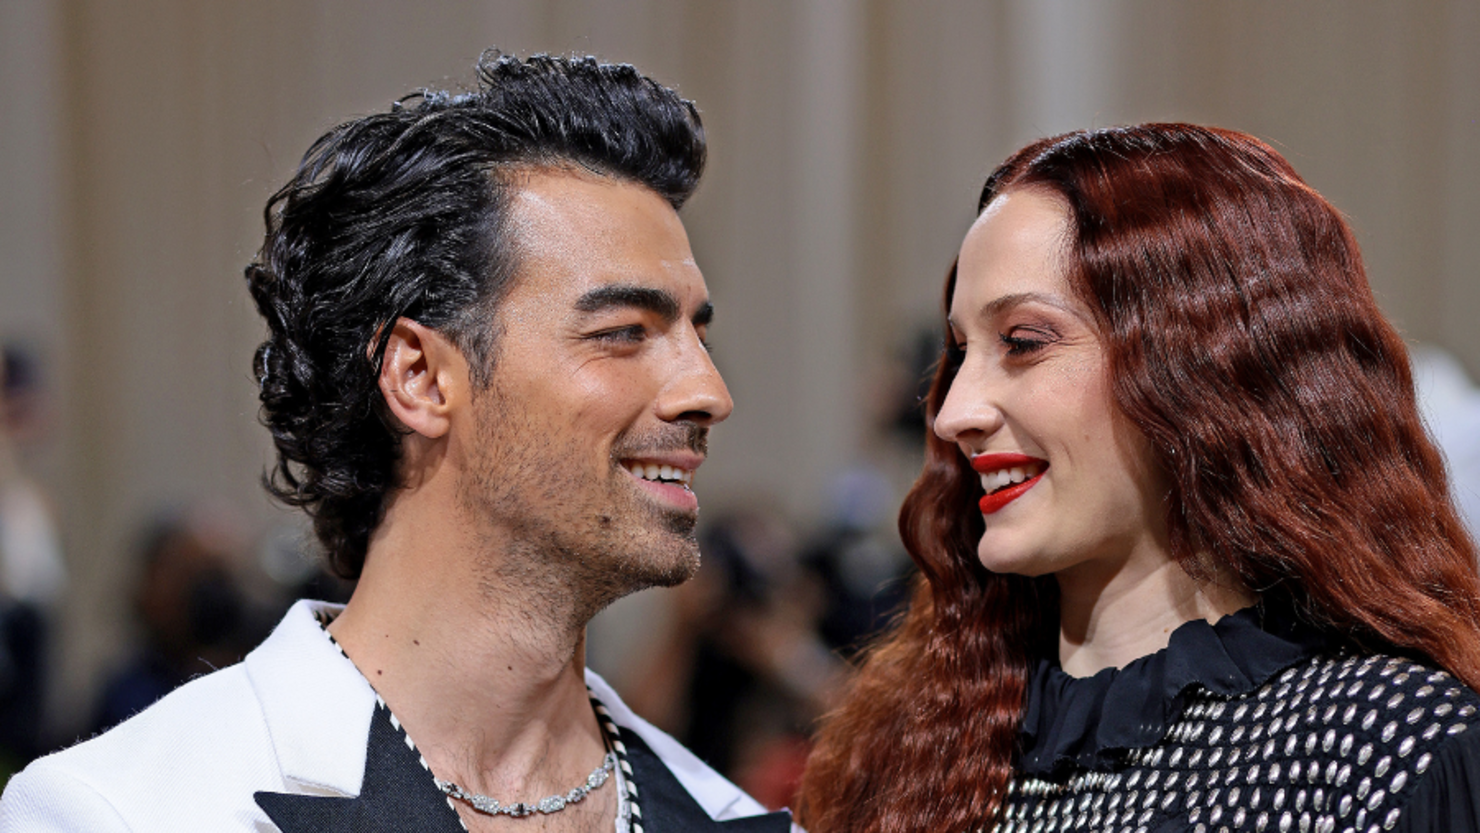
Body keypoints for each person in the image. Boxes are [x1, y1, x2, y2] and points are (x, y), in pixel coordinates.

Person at [0, 52, 794, 832]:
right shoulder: (121, 811)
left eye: (698, 334)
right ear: (419, 375)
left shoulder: (730, 817)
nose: (709, 393)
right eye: (624, 331)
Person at [797, 124, 1480, 833]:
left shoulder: (1377, 749)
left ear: (1207, 363)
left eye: (1023, 343)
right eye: (962, 352)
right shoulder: (909, 746)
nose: (954, 413)